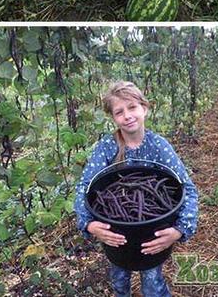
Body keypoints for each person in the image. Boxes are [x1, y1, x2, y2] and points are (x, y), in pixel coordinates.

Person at [74, 81, 199, 297]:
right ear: (113, 118)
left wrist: (180, 229)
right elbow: (85, 186)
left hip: (152, 229)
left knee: (152, 282)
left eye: (132, 107)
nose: (127, 115)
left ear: (145, 108)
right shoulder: (107, 147)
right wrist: (88, 223)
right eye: (119, 112)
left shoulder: (159, 146)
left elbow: (186, 187)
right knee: (119, 279)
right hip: (115, 230)